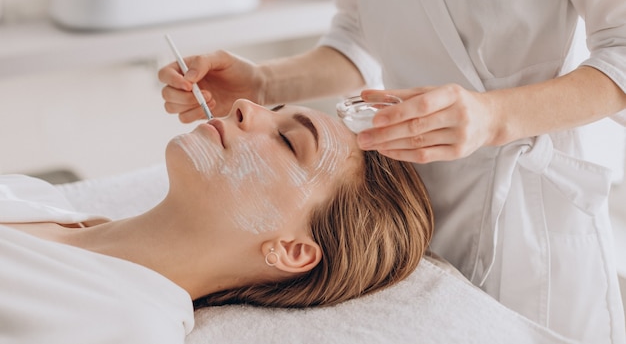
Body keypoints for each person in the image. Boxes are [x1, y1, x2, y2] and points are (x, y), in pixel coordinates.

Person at [158, 0, 626, 342]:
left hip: (532, 216)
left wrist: (494, 117)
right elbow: (357, 41)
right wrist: (263, 83)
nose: (248, 113)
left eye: (289, 140)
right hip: (406, 205)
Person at [0, 100, 434, 344]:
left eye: (287, 140)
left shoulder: (126, 325)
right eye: (274, 108)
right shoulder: (36, 196)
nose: (247, 107)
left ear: (291, 249)